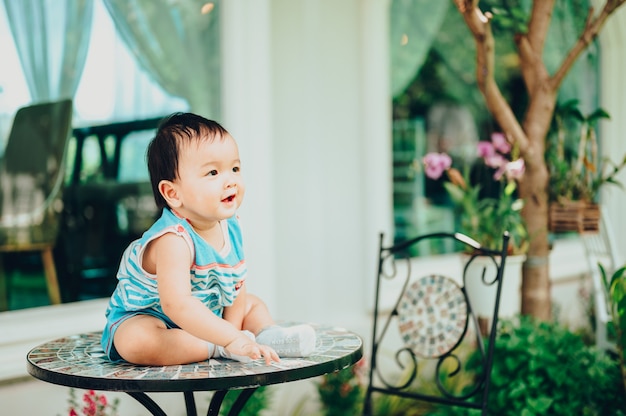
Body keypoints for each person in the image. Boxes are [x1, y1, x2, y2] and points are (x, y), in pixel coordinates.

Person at [101, 113, 315, 365]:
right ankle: (217, 347)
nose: (230, 181)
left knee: (252, 304)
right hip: (157, 318)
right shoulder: (173, 240)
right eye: (213, 172)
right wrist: (228, 339)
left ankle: (267, 335)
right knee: (136, 340)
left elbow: (236, 286)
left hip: (208, 313)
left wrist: (233, 330)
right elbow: (177, 306)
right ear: (172, 193)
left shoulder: (231, 226)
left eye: (235, 168)